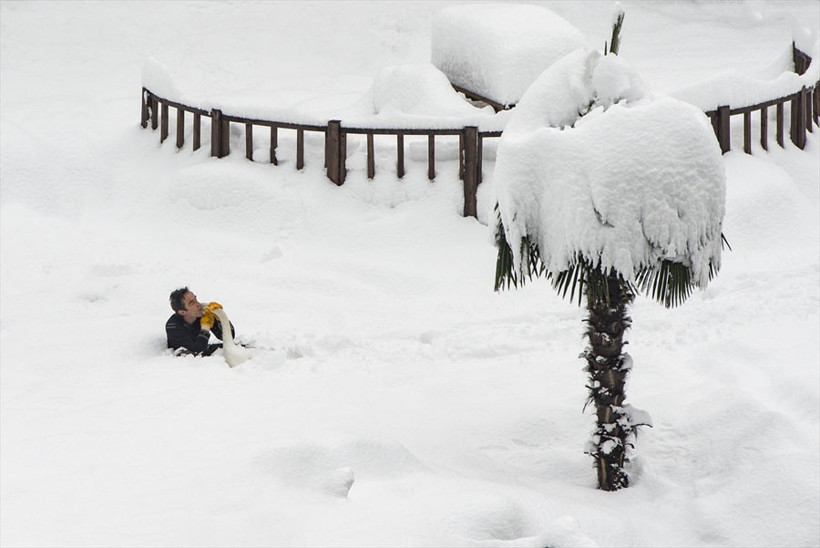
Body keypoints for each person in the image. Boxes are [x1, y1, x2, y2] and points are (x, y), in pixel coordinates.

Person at [166, 287, 235, 356]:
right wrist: (205, 328)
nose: (198, 304)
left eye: (196, 299)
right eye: (192, 303)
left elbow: (229, 337)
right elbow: (197, 351)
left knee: (239, 347)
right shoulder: (173, 326)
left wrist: (218, 316)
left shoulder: (200, 316)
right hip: (185, 359)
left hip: (202, 349)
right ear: (182, 312)